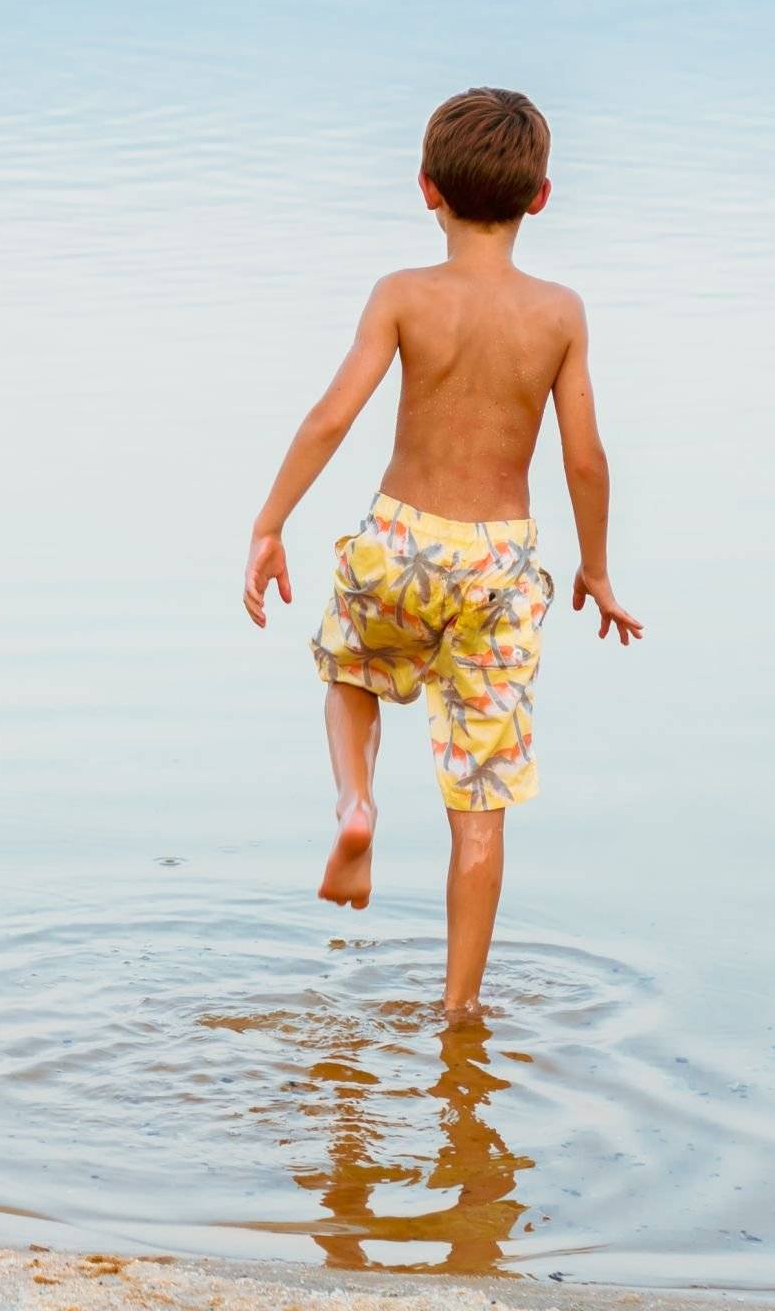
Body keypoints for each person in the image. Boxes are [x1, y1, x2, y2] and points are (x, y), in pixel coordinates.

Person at [241, 88, 642, 1016]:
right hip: (500, 563)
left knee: (350, 668)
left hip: (401, 537)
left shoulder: (403, 295)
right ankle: (460, 1012)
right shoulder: (560, 314)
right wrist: (596, 567)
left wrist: (270, 522)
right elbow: (585, 456)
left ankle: (356, 806)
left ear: (426, 189)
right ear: (541, 197)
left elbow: (334, 414)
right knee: (481, 799)